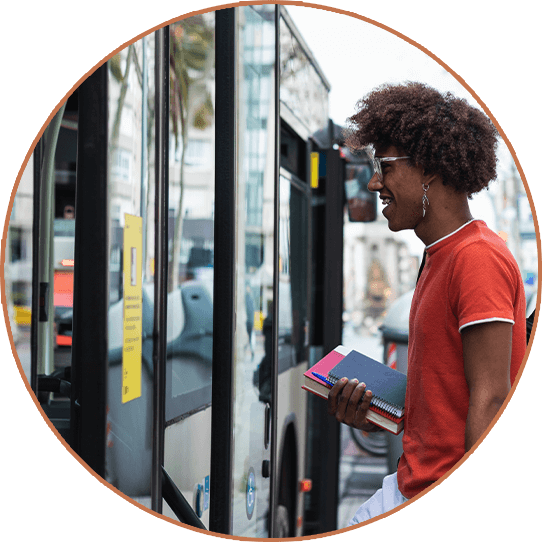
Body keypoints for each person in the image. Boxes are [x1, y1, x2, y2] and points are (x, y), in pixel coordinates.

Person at [329, 82, 527, 524]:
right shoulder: (440, 255)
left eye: (385, 165)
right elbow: (444, 401)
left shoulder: (476, 259)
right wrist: (372, 412)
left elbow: (493, 400)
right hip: (407, 482)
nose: (373, 180)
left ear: (430, 169)